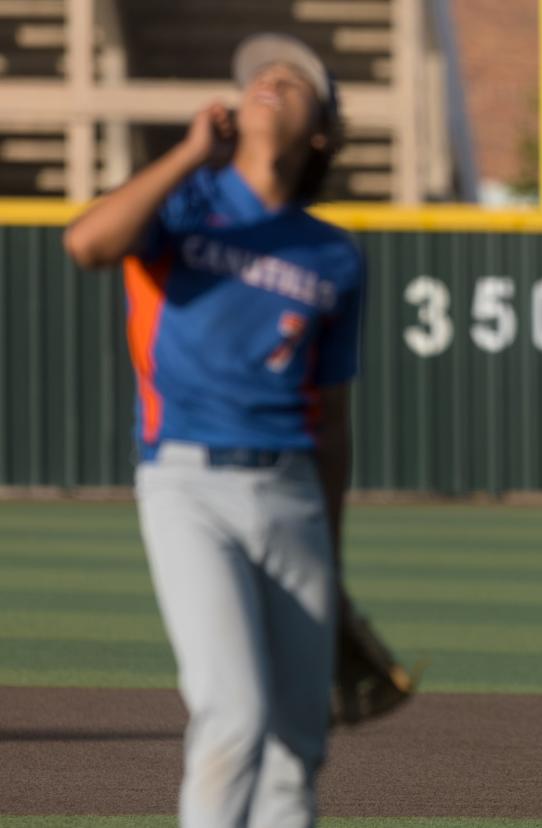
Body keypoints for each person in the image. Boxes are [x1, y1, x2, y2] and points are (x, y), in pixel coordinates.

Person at [63, 33, 363, 827]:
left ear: (321, 130)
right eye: (257, 75)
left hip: (293, 489)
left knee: (299, 742)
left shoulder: (334, 255)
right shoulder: (187, 205)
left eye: (292, 82)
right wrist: (189, 154)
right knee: (233, 714)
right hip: (186, 481)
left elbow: (332, 422)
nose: (267, 81)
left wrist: (331, 563)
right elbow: (86, 242)